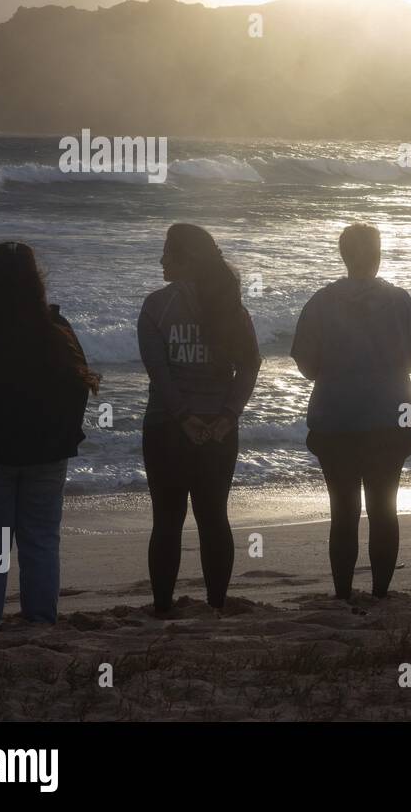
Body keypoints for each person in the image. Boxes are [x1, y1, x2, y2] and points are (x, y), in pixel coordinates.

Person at [0, 241, 98, 631]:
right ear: (35, 281)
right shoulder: (56, 329)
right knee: (41, 539)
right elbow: (79, 387)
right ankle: (41, 619)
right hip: (47, 452)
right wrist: (65, 436)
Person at [292, 223, 411, 600]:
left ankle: (343, 591)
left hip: (336, 418)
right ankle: (381, 592)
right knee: (385, 508)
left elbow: (305, 364)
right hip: (390, 416)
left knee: (344, 511)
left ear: (343, 256)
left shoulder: (321, 301)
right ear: (378, 255)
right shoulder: (400, 301)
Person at [138, 224, 261, 615]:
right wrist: (228, 416)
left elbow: (160, 373)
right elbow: (250, 366)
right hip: (219, 430)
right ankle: (217, 604)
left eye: (167, 253)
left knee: (167, 521)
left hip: (166, 428)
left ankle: (161, 607)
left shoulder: (156, 307)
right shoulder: (231, 307)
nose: (161, 260)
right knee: (213, 518)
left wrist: (183, 417)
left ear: (186, 259)